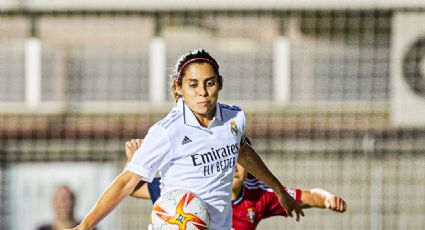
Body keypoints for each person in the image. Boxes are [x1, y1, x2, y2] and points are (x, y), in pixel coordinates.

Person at [71, 49, 303, 230]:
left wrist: (279, 191)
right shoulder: (167, 131)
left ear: (220, 83)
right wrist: (85, 225)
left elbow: (241, 151)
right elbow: (126, 182)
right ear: (178, 87)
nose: (202, 92)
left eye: (209, 83)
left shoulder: (235, 118)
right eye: (193, 85)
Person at [125, 138, 347, 230]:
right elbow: (133, 189)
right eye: (227, 161)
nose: (232, 168)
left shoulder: (259, 195)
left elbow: (308, 196)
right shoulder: (190, 190)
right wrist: (134, 164)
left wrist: (327, 199)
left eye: (239, 162)